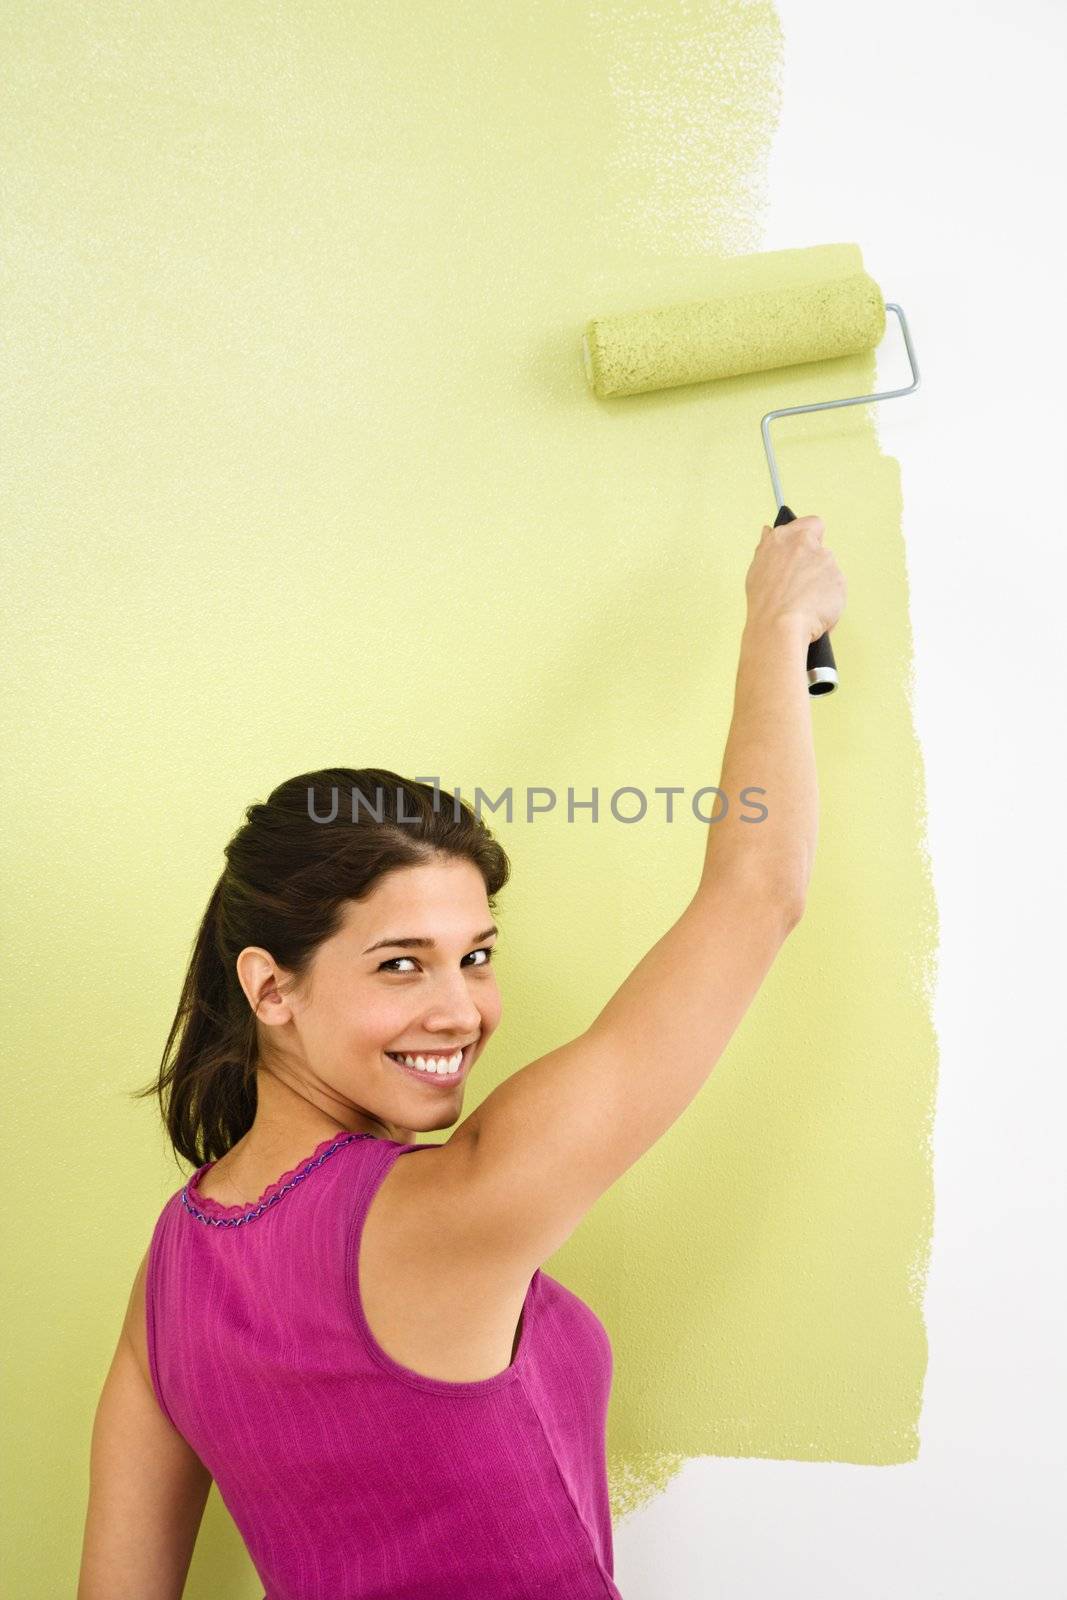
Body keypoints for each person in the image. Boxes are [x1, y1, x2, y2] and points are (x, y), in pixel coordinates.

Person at [78, 515, 845, 1600]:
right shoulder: (458, 1201)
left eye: (474, 954)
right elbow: (756, 895)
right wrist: (776, 624)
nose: (461, 1010)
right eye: (400, 964)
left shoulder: (172, 1267)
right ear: (270, 987)